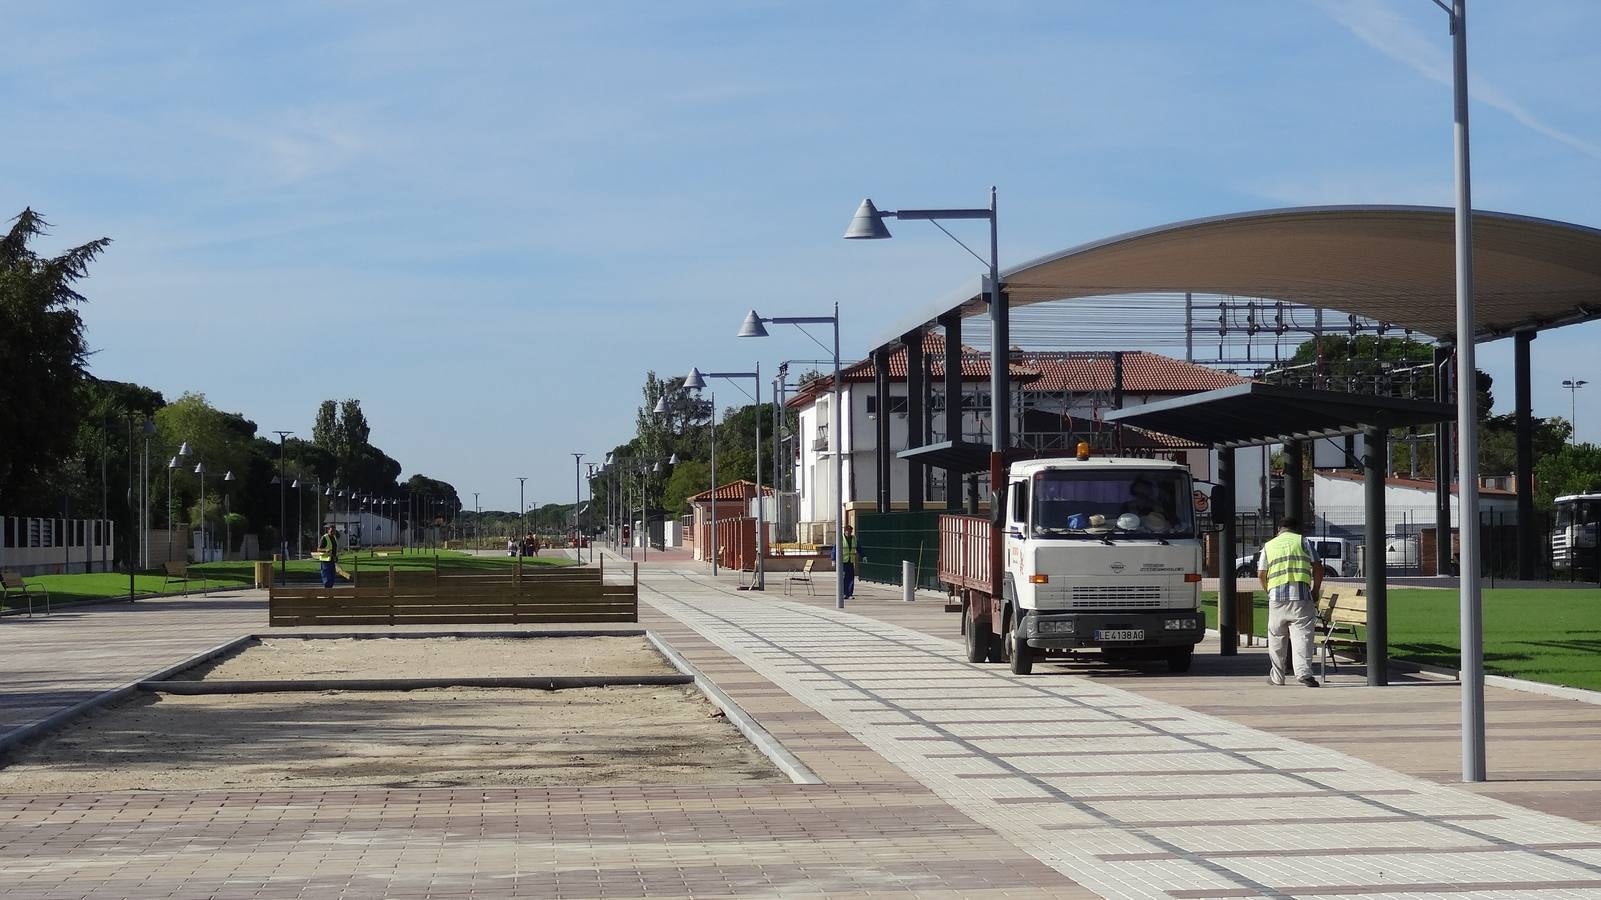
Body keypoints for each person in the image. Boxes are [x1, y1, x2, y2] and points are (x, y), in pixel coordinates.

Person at [1257, 516, 1324, 687]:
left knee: (1276, 638)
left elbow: (1261, 573)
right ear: (1296, 529)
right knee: (1302, 636)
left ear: (1279, 529)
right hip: (1301, 597)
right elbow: (1317, 567)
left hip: (1276, 598)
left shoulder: (1269, 545)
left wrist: (1268, 591)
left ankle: (1277, 677)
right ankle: (1303, 674)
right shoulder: (1303, 541)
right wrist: (1315, 590)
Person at [839, 524, 861, 599]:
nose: (849, 533)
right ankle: (843, 593)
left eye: (850, 531)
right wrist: (834, 559)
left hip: (850, 561)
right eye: (847, 531)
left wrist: (863, 556)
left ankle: (849, 594)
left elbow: (859, 548)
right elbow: (835, 549)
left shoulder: (854, 538)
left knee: (851, 578)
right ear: (844, 531)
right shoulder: (841, 538)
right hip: (842, 562)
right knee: (843, 577)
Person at [318, 525, 339, 590]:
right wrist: (325, 550)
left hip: (332, 560)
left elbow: (334, 549)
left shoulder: (334, 538)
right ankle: (327, 592)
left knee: (332, 576)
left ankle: (330, 592)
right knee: (327, 577)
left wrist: (336, 557)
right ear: (328, 530)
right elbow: (319, 549)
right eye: (332, 530)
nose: (333, 532)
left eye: (334, 531)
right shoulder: (324, 537)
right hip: (325, 561)